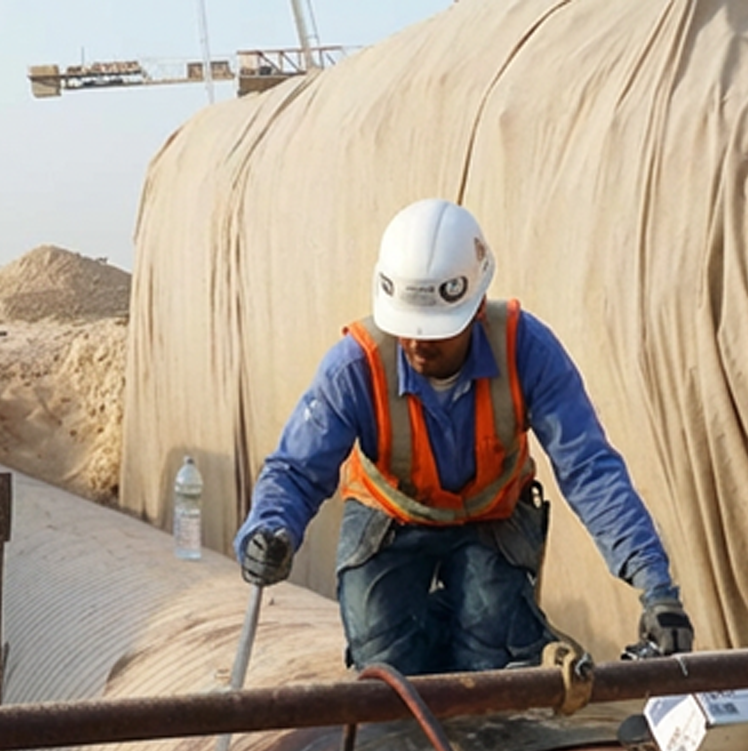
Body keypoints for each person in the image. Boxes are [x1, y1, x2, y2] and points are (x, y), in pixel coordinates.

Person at [234, 197, 696, 675]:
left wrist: (655, 588)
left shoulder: (527, 350)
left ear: (475, 307)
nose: (415, 343)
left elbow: (590, 471)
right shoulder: (355, 367)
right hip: (390, 521)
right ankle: (430, 636)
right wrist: (270, 530)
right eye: (405, 327)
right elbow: (297, 470)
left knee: (488, 665)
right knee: (388, 672)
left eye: (434, 332)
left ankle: (488, 643)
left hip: (490, 520)